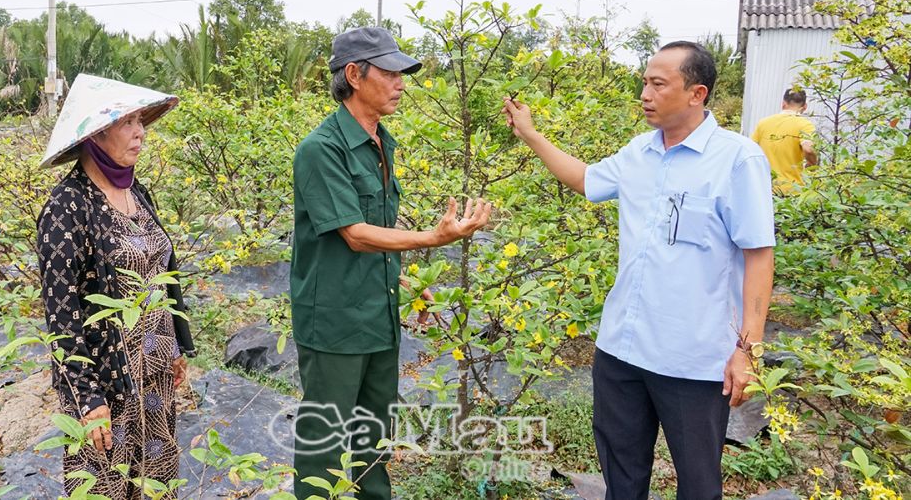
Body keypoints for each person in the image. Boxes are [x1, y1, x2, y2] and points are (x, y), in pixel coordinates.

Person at [502, 42, 775, 499]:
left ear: (697, 93)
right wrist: (531, 134)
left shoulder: (736, 159)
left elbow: (758, 255)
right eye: (644, 82)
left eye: (658, 84)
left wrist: (747, 349)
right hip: (622, 350)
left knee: (698, 482)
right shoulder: (638, 153)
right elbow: (586, 179)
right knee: (622, 477)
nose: (645, 94)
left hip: (693, 358)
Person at [290, 27, 492, 500]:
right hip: (336, 320)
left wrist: (403, 280)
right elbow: (355, 234)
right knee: (326, 435)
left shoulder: (382, 142)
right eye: (390, 72)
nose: (401, 82)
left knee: (375, 432)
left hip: (378, 315)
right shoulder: (321, 149)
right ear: (355, 75)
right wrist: (434, 238)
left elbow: (373, 234)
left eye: (403, 73)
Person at [37, 74, 196, 499]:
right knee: (107, 486)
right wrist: (88, 400)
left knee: (157, 481)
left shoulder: (138, 192)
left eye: (141, 120)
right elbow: (61, 314)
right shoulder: (67, 206)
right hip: (108, 386)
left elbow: (163, 276)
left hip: (156, 380)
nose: (141, 132)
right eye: (128, 122)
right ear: (95, 134)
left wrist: (177, 347)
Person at [751, 88, 818, 194]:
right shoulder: (805, 125)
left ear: (783, 103)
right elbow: (808, 150)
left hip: (765, 188)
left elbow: (751, 150)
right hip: (792, 190)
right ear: (805, 107)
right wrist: (813, 164)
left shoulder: (763, 123)